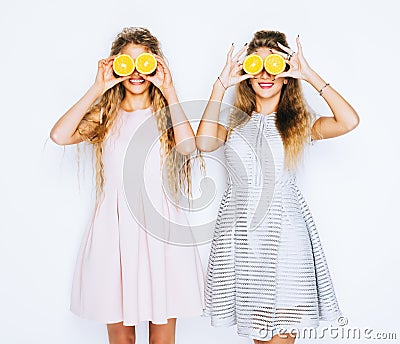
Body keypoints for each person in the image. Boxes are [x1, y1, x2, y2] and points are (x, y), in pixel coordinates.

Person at [196, 30, 359, 343]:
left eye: (275, 66)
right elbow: (203, 142)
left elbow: (349, 121)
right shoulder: (233, 123)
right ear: (246, 75)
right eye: (257, 65)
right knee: (259, 336)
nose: (266, 73)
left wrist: (309, 75)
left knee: (281, 334)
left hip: (285, 235)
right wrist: (220, 86)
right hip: (240, 235)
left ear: (286, 76)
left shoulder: (300, 124)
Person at [50, 27, 204, 344]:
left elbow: (189, 148)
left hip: (160, 232)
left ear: (156, 66)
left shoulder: (165, 116)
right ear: (115, 67)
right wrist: (97, 87)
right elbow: (59, 135)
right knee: (122, 339)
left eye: (143, 63)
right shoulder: (105, 116)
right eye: (126, 64)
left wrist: (170, 90)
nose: (135, 72)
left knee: (162, 338)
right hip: (114, 232)